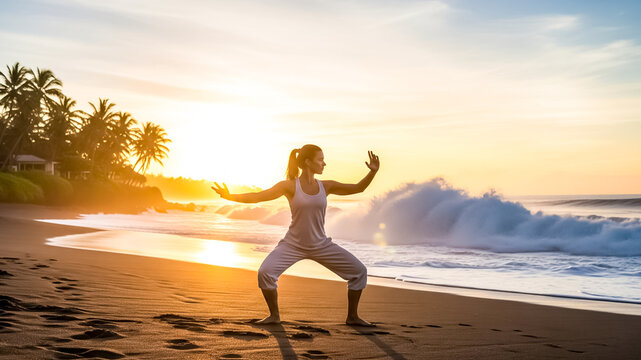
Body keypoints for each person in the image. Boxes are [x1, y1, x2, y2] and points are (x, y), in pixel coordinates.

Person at [211, 144, 379, 326]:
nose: (324, 163)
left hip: (321, 244)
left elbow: (358, 188)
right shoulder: (290, 186)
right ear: (307, 162)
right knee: (265, 273)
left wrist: (372, 172)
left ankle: (352, 317)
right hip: (292, 245)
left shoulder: (326, 186)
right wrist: (230, 196)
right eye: (320, 160)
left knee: (359, 272)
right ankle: (274, 316)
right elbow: (258, 196)